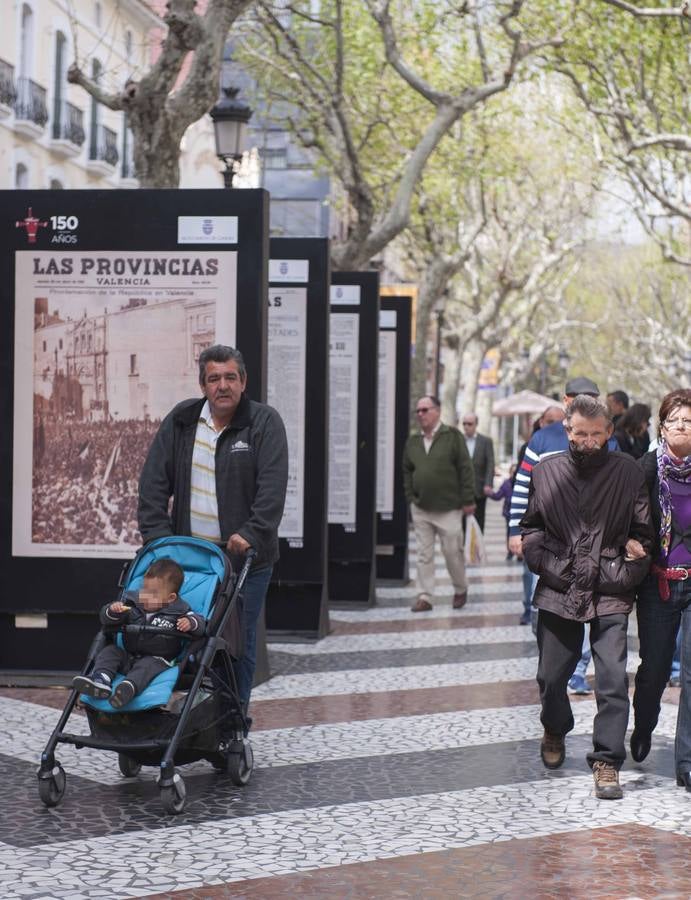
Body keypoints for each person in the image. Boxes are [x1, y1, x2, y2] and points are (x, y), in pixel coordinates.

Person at [137, 345, 288, 714]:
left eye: (230, 377)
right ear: (202, 384)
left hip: (243, 560)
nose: (223, 385)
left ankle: (233, 723)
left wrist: (251, 533)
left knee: (237, 643)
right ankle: (178, 716)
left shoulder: (264, 423)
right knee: (179, 634)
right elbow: (153, 483)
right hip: (190, 560)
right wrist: (158, 540)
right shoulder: (182, 421)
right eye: (214, 378)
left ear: (243, 381)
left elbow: (272, 488)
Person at [520, 394, 652, 799]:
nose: (589, 441)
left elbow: (644, 535)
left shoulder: (628, 472)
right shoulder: (547, 472)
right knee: (550, 677)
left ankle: (607, 761)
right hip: (559, 591)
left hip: (610, 591)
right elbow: (532, 532)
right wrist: (558, 568)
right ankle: (555, 727)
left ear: (610, 432)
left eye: (597, 434)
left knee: (612, 680)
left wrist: (625, 569)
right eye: (581, 434)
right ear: (568, 430)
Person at [630, 389, 691, 788]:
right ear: (661, 426)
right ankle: (644, 725)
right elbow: (626, 518)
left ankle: (685, 761)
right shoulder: (646, 469)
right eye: (676, 421)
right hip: (658, 585)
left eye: (690, 422)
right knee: (653, 671)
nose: (683, 428)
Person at [73, 559, 205, 708]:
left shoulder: (180, 611)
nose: (145, 597)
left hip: (158, 660)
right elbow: (106, 619)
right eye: (144, 589)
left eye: (153, 594)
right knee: (110, 651)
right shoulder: (132, 603)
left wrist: (190, 623)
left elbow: (200, 624)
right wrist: (113, 611)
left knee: (147, 666)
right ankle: (101, 680)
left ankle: (128, 688)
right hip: (128, 655)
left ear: (171, 598)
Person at [403, 395, 476, 612]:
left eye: (425, 410)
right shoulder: (413, 441)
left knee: (452, 552)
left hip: (449, 508)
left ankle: (460, 588)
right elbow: (407, 470)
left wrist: (468, 500)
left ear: (437, 411)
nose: (420, 415)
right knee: (424, 554)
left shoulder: (452, 436)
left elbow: (465, 469)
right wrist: (410, 496)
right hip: (421, 507)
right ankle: (425, 596)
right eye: (418, 411)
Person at [461, 413, 495, 532]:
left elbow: (490, 463)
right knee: (462, 525)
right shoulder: (458, 440)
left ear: (476, 425)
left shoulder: (485, 441)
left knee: (478, 523)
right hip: (461, 490)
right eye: (464, 423)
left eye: (469, 424)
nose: (466, 426)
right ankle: (464, 549)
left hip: (479, 489)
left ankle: (476, 549)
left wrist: (488, 483)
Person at [489, 465, 516, 559]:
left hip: (521, 514)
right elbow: (498, 496)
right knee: (510, 533)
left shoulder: (523, 482)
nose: (514, 474)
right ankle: (510, 552)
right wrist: (490, 493)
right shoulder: (506, 483)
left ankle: (520, 553)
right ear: (510, 473)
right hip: (509, 513)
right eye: (513, 472)